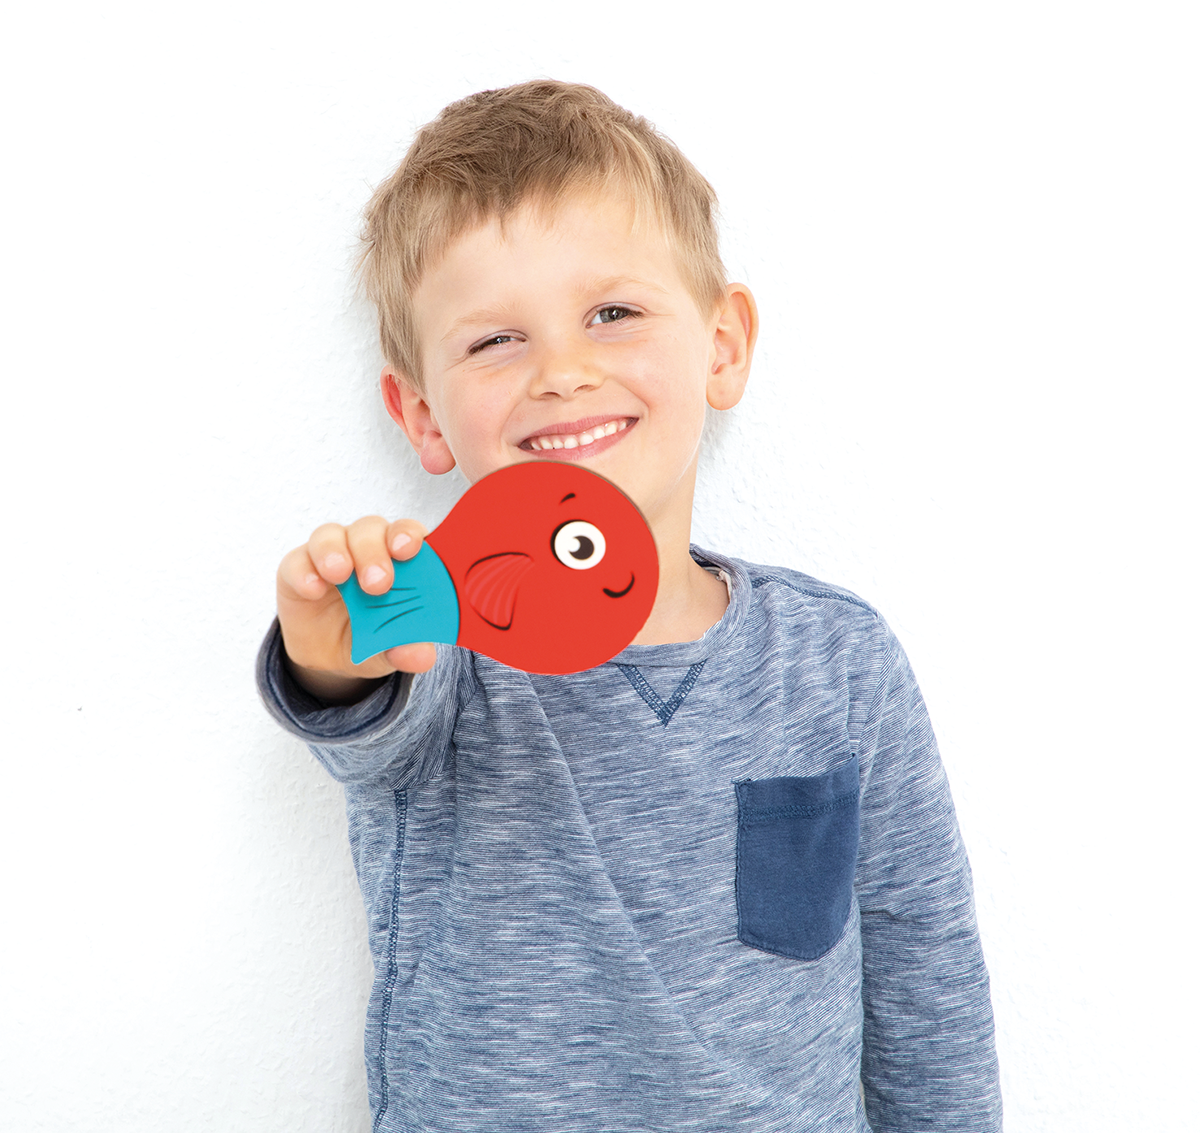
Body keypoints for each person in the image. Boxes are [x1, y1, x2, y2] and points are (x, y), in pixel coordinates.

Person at [258, 80, 1001, 1132]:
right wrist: (340, 650)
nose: (563, 372)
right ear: (422, 415)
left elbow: (926, 967)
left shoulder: (838, 659)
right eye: (495, 340)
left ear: (723, 346)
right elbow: (358, 700)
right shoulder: (441, 655)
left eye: (612, 314)